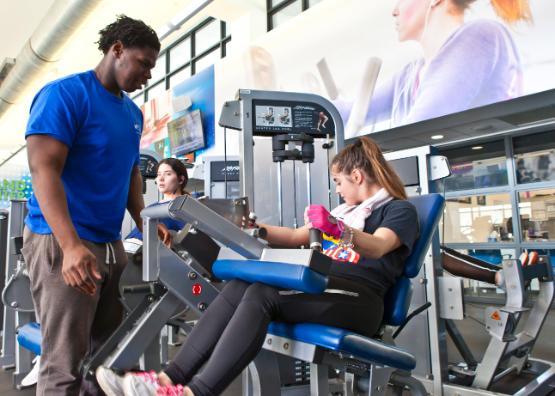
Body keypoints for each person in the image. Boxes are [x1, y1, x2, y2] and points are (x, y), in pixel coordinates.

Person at [95, 136, 419, 396]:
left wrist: (339, 230)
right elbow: (294, 236)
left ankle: (196, 392)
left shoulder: (398, 211)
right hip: (323, 287)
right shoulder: (347, 211)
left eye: (338, 181)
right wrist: (251, 228)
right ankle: (169, 380)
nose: (337, 189)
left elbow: (378, 246)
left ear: (358, 176)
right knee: (240, 287)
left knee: (263, 294)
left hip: (359, 300)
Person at [21, 15, 170, 395]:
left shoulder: (132, 114)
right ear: (116, 50)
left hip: (109, 245)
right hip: (63, 242)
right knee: (65, 364)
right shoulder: (65, 95)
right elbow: (44, 171)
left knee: (109, 360)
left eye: (152, 67)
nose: (147, 75)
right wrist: (70, 246)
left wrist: (146, 220)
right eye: (143, 63)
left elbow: (130, 174)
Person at [342, 0, 531, 133]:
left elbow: (420, 127)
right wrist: (314, 106)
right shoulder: (408, 76)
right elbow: (352, 111)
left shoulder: (480, 36)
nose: (394, 10)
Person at [126, 158, 189, 241]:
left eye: (168, 174)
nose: (161, 178)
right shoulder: (151, 209)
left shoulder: (186, 207)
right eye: (159, 174)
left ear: (181, 179)